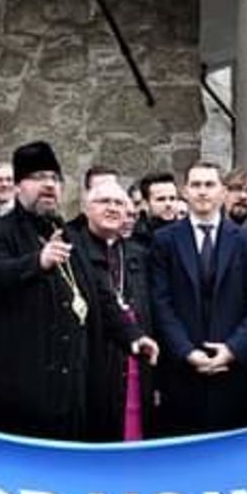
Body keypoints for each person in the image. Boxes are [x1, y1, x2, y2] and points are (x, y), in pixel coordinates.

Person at [0, 142, 153, 441]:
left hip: (73, 385)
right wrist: (37, 261)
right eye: (39, 177)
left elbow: (99, 293)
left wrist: (132, 335)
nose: (49, 185)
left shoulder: (70, 235)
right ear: (19, 186)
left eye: (54, 179)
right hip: (24, 384)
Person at [148, 162, 247, 437]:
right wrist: (187, 352)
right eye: (196, 185)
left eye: (209, 185)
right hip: (181, 374)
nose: (203, 192)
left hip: (235, 373)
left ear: (222, 191)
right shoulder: (164, 241)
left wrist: (232, 349)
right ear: (185, 192)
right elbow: (160, 302)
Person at [66, 180, 154, 441]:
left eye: (119, 203)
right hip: (90, 357)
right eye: (104, 202)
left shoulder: (136, 253)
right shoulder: (72, 248)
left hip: (131, 355)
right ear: (85, 208)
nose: (113, 208)